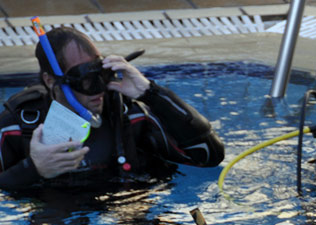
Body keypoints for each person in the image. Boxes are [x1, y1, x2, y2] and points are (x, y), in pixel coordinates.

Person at [0, 26, 224, 189]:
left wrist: (152, 93)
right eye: (87, 81)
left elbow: (209, 156)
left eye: (103, 76)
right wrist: (32, 169)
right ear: (50, 81)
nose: (99, 91)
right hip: (54, 211)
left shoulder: (129, 115)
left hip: (128, 205)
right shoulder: (18, 125)